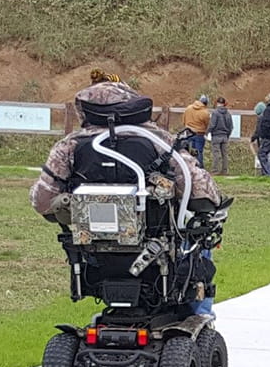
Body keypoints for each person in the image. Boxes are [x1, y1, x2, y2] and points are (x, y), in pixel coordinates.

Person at [30, 80, 223, 317]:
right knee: (200, 242)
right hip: (157, 255)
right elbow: (202, 192)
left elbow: (41, 200)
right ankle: (201, 316)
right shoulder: (158, 140)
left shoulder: (69, 145)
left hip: (96, 257)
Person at [182, 95, 211, 168]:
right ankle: (199, 168)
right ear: (206, 103)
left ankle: (188, 167)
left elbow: (183, 119)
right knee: (198, 152)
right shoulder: (205, 112)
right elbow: (207, 124)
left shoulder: (188, 108)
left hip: (188, 132)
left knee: (188, 151)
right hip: (199, 134)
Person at [206, 96, 233, 176]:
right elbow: (230, 127)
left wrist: (207, 132)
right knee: (224, 154)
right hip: (225, 136)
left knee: (216, 154)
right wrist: (227, 135)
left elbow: (212, 125)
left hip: (216, 136)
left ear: (217, 103)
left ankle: (215, 171)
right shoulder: (228, 113)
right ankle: (225, 171)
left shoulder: (215, 113)